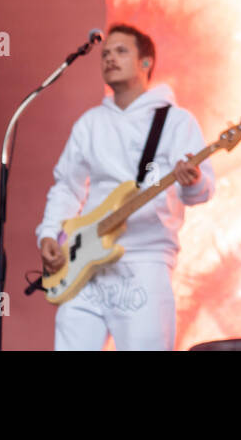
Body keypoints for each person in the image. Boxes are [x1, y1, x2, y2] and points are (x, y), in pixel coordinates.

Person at [36, 23, 215, 350]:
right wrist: (49, 233)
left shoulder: (176, 121)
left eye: (121, 51)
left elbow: (201, 192)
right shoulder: (90, 123)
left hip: (144, 260)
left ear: (146, 63)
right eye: (105, 53)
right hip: (84, 264)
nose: (109, 58)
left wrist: (194, 180)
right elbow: (67, 186)